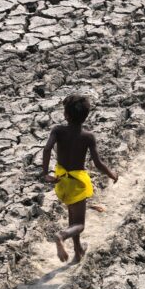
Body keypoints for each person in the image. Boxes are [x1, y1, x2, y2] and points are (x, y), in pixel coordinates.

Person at [41, 94, 118, 262]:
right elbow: (97, 163)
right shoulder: (88, 136)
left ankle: (78, 250)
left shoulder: (57, 130)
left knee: (72, 215)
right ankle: (62, 236)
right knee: (80, 225)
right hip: (77, 183)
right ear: (86, 116)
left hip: (61, 180)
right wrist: (112, 174)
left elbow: (47, 149)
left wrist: (45, 173)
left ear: (66, 115)